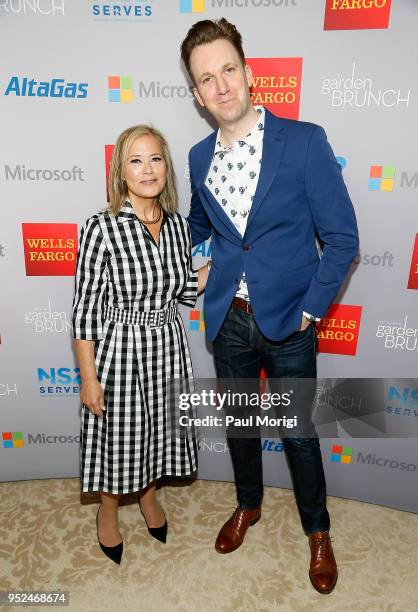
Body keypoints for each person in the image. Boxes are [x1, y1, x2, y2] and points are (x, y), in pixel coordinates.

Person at [181, 18, 359, 594]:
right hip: (227, 321)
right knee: (239, 426)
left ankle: (317, 530)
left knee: (298, 432)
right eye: (206, 78)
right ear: (198, 93)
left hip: (290, 324)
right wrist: (201, 259)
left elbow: (343, 239)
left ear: (249, 73)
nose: (221, 84)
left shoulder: (305, 141)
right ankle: (249, 506)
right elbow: (201, 224)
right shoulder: (197, 155)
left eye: (228, 69)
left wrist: (311, 310)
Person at [72, 125, 209, 564]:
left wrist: (233, 259)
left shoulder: (178, 228)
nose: (147, 169)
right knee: (120, 437)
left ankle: (149, 497)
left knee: (161, 431)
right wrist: (88, 377)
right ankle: (108, 511)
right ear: (121, 171)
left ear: (166, 167)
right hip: (121, 349)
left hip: (168, 345)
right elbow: (85, 310)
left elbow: (186, 287)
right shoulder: (101, 227)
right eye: (136, 160)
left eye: (155, 159)